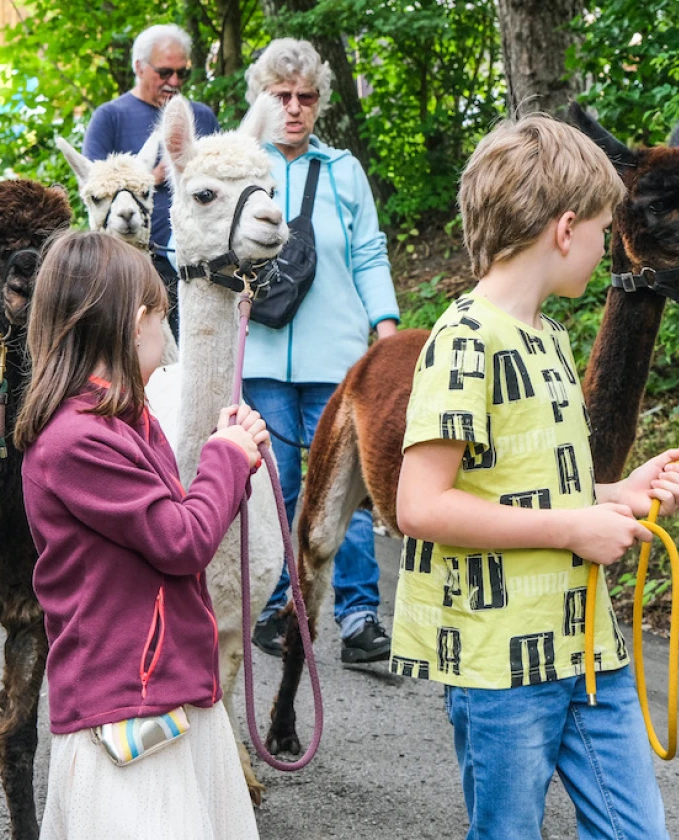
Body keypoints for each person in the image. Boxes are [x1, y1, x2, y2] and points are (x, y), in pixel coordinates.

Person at [393, 115, 679, 838]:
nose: (602, 247)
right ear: (565, 229)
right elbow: (420, 506)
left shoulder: (550, 337)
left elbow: (526, 483)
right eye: (600, 229)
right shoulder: (463, 341)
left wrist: (614, 496)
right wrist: (573, 528)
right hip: (501, 671)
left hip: (589, 651)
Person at [17, 231, 264, 840]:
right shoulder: (77, 439)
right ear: (133, 320)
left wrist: (230, 461)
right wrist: (225, 460)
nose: (164, 328)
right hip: (126, 700)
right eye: (160, 312)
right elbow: (181, 540)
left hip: (166, 689)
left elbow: (171, 523)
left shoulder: (124, 421)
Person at [241, 39, 400, 662]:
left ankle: (358, 616)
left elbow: (367, 252)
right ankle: (286, 609)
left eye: (305, 97)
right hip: (260, 353)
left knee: (347, 491)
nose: (294, 108)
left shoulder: (343, 170)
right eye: (282, 96)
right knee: (278, 489)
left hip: (338, 359)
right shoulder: (242, 165)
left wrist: (387, 333)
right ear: (263, 97)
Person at [83, 23, 219, 337]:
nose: (174, 82)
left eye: (182, 73)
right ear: (139, 67)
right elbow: (93, 185)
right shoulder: (110, 117)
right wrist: (149, 178)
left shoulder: (202, 117)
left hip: (198, 265)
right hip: (131, 266)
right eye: (164, 72)